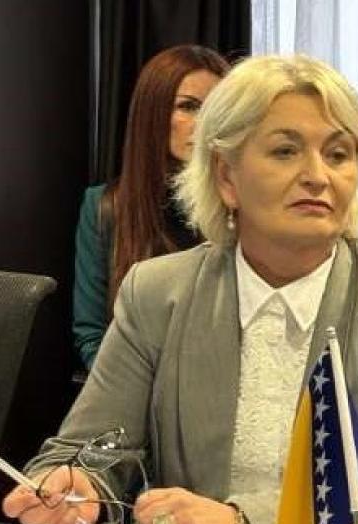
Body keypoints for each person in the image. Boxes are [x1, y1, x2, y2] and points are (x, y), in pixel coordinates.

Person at [2, 55, 358, 524]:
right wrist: (76, 488)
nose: (318, 176)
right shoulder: (156, 291)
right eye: (285, 151)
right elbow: (90, 449)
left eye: (338, 154)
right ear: (226, 177)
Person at [72, 45, 230, 370]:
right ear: (153, 114)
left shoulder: (240, 205)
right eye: (188, 106)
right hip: (133, 386)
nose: (204, 124)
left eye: (216, 109)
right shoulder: (106, 207)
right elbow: (91, 334)